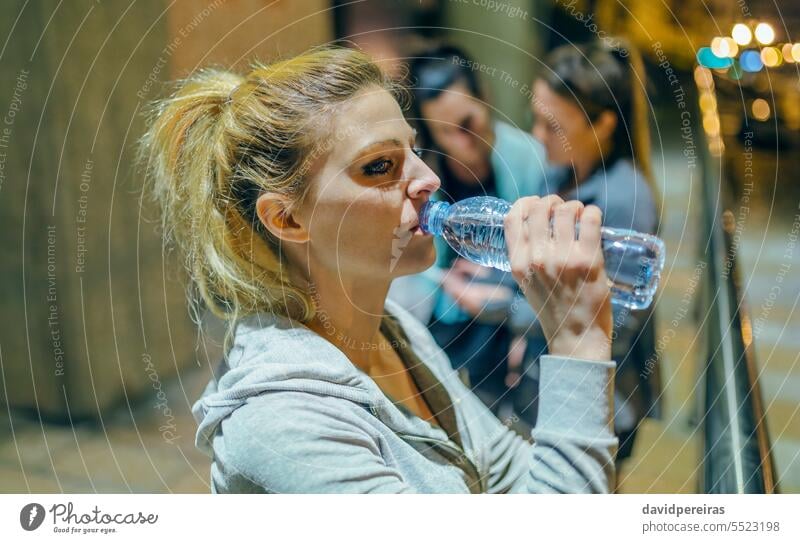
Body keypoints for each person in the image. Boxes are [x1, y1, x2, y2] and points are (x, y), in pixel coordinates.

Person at [139, 46, 618, 493]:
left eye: (412, 150)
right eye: (380, 166)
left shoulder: (396, 331)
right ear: (287, 218)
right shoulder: (282, 424)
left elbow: (508, 473)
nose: (429, 178)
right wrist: (576, 343)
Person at [517, 39, 663, 464]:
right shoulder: (559, 174)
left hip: (600, 398)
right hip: (548, 381)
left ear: (601, 124)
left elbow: (620, 317)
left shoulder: (624, 196)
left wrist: (508, 311)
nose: (537, 134)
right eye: (537, 120)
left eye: (552, 125)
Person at [388, 45, 547, 410]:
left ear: (485, 99)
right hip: (443, 331)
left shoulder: (530, 158)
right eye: (445, 133)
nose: (461, 142)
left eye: (467, 123)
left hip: (513, 330)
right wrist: (447, 281)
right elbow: (400, 268)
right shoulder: (425, 175)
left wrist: (522, 324)